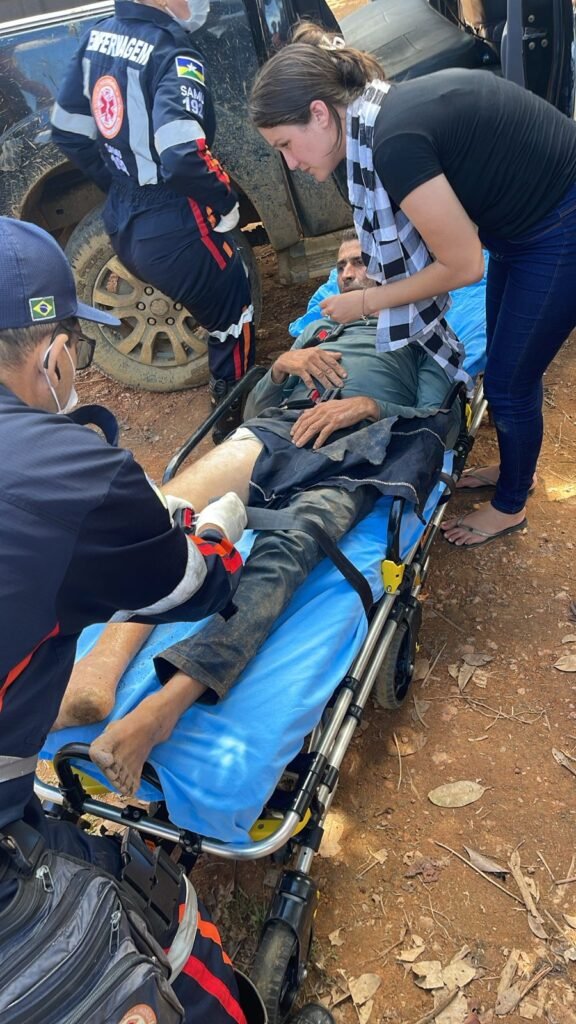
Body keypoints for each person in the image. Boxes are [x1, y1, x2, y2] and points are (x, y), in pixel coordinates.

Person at [53, 231, 459, 799]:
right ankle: (98, 671)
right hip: (276, 431)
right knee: (163, 515)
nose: (346, 274)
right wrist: (281, 368)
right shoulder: (320, 328)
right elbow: (251, 409)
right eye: (341, 265)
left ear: (392, 271)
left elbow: (441, 419)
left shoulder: (422, 331)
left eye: (359, 262)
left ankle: (164, 709)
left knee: (283, 556)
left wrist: (370, 405)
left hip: (357, 452)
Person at [248, 23, 576, 547]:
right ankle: (517, 470)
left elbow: (464, 267)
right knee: (512, 361)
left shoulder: (392, 144)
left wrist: (365, 301)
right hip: (518, 225)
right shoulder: (373, 119)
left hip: (558, 224)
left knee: (509, 383)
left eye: (286, 144)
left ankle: (511, 505)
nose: (290, 161)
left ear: (320, 113)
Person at [51, 0, 254, 442]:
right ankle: (233, 425)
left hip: (122, 217)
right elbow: (181, 155)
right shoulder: (173, 52)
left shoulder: (97, 36)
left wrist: (119, 183)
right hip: (175, 219)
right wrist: (225, 200)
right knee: (234, 311)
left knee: (214, 302)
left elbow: (66, 130)